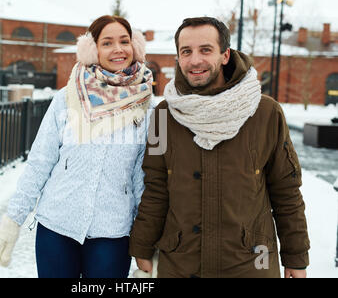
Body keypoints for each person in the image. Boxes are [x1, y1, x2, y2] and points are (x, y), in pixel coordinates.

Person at [129, 17, 310, 278]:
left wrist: (296, 258)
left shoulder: (265, 113)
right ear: (178, 58)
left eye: (206, 50)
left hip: (249, 265)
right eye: (186, 52)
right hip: (180, 264)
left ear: (225, 55)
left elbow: (287, 191)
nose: (195, 61)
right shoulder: (164, 116)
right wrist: (142, 247)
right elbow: (155, 187)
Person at [0, 15, 154, 278]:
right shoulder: (67, 98)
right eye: (107, 42)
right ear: (93, 50)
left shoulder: (151, 109)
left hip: (112, 232)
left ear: (134, 46)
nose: (118, 49)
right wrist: (13, 220)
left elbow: (147, 181)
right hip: (57, 226)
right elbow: (40, 162)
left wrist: (147, 246)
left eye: (124, 41)